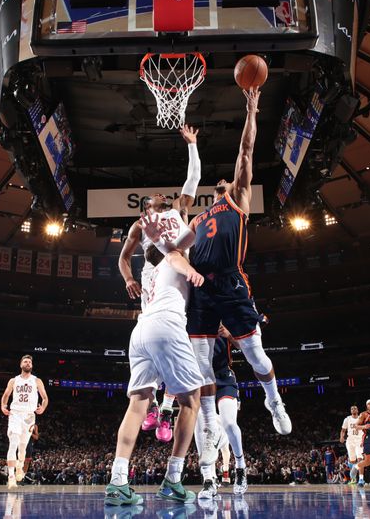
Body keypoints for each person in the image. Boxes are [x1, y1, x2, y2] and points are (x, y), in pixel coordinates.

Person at [183, 87, 291, 447]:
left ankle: (273, 400)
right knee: (202, 365)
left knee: (255, 354)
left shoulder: (237, 198)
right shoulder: (197, 220)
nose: (222, 180)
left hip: (230, 283)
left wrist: (252, 111)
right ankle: (210, 422)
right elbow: (177, 252)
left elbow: (246, 150)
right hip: (201, 291)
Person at [105, 237, 207, 506]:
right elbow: (174, 255)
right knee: (192, 401)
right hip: (166, 327)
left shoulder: (151, 273)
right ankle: (173, 479)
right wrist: (191, 271)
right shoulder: (173, 258)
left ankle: (117, 482)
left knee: (137, 404)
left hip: (140, 331)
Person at [118, 125, 201, 438]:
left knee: (177, 339)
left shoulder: (180, 208)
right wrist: (128, 280)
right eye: (155, 196)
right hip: (154, 278)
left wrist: (192, 145)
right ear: (146, 207)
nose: (161, 195)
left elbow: (192, 179)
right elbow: (123, 258)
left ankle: (166, 408)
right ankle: (155, 405)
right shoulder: (140, 225)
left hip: (179, 275)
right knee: (155, 341)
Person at [197, 324, 247, 499]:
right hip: (201, 377)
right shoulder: (192, 314)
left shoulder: (224, 314)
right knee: (199, 425)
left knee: (229, 422)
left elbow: (246, 345)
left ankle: (240, 467)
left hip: (224, 376)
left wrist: (230, 334)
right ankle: (208, 480)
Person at [0, 355, 48, 489]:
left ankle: (20, 466)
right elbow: (6, 395)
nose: (28, 363)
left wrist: (43, 407)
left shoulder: (37, 381)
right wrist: (3, 406)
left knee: (22, 448)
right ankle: (11, 477)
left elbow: (44, 397)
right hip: (15, 414)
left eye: (30, 362)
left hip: (29, 416)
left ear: (31, 366)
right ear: (21, 364)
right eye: (25, 361)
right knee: (13, 443)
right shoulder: (13, 380)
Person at [340, 405, 363, 484]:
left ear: (357, 410)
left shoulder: (361, 417)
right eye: (352, 408)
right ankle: (353, 478)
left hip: (359, 441)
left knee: (360, 459)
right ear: (350, 411)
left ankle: (361, 479)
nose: (353, 409)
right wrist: (341, 437)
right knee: (352, 461)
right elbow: (343, 430)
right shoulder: (347, 419)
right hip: (350, 441)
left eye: (355, 408)